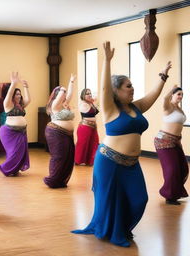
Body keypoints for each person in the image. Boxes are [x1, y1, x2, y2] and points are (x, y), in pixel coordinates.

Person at [72, 41, 172, 247]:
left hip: (131, 164)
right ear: (116, 91)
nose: (132, 88)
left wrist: (162, 77)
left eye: (132, 85)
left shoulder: (135, 107)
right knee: (109, 201)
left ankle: (122, 228)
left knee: (139, 199)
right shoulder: (109, 109)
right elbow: (104, 88)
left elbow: (152, 97)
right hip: (109, 161)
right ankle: (115, 231)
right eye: (128, 86)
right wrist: (107, 61)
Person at [154, 86, 188, 205]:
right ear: (172, 95)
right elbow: (164, 98)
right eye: (178, 94)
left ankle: (176, 192)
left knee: (183, 168)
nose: (180, 96)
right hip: (163, 141)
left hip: (175, 142)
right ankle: (169, 196)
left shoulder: (179, 109)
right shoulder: (168, 107)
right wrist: (171, 89)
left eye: (182, 94)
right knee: (172, 169)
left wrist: (178, 140)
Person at [44, 74, 76, 188]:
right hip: (56, 133)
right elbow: (61, 96)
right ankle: (53, 179)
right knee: (59, 156)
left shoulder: (64, 104)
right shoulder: (54, 105)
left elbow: (70, 94)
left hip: (66, 134)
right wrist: (62, 89)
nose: (65, 95)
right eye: (62, 93)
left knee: (68, 157)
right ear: (57, 95)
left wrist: (71, 81)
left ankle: (61, 179)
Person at [0, 72, 31, 176]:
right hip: (10, 132)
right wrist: (13, 84)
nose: (19, 95)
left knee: (20, 152)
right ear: (12, 95)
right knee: (14, 152)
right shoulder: (8, 104)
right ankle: (6, 168)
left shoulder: (20, 105)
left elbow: (28, 100)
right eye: (17, 94)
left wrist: (26, 87)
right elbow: (8, 96)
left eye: (19, 94)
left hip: (21, 132)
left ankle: (15, 169)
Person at [75, 88, 99, 166]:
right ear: (83, 95)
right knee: (83, 144)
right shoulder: (83, 104)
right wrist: (93, 101)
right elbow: (89, 110)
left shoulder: (90, 103)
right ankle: (78, 160)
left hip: (93, 127)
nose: (89, 95)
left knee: (94, 143)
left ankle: (91, 161)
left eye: (90, 93)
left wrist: (93, 102)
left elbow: (96, 111)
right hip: (85, 127)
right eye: (87, 94)